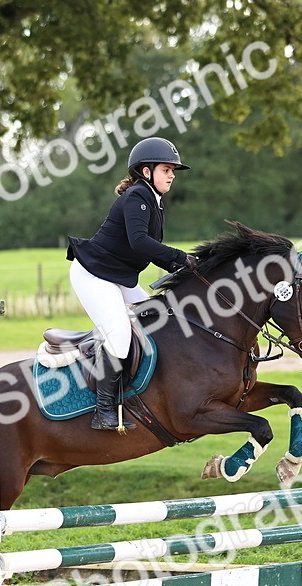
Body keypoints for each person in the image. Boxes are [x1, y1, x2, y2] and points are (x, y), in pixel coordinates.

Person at [66, 136, 196, 432]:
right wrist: (180, 258)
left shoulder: (154, 202)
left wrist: (183, 268)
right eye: (166, 169)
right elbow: (140, 243)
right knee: (121, 335)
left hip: (117, 277)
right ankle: (103, 410)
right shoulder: (138, 196)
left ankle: (140, 394)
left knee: (159, 319)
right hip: (93, 275)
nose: (172, 175)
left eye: (173, 170)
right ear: (146, 171)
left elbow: (148, 249)